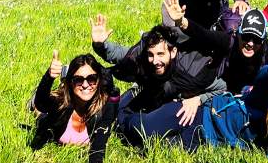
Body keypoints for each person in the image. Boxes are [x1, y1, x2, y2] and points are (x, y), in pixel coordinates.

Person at [119, 58, 268, 163]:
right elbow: (265, 75)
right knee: (140, 130)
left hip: (200, 140)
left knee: (149, 150)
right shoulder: (265, 101)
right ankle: (121, 106)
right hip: (196, 114)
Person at [91, 15, 223, 123]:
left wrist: (199, 99)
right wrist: (100, 46)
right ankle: (135, 91)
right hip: (159, 91)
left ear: (173, 52)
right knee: (117, 113)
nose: (155, 61)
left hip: (183, 98)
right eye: (150, 54)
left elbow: (224, 88)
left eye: (160, 54)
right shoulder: (145, 55)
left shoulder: (195, 68)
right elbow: (122, 55)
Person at [164, 0, 268, 95]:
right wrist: (181, 22)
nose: (250, 43)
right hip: (224, 87)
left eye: (257, 40)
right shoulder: (230, 40)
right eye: (246, 37)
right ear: (238, 34)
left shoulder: (266, 51)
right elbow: (204, 34)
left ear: (263, 41)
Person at [27, 51, 119, 163]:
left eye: (91, 78)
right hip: (50, 116)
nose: (85, 85)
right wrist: (49, 77)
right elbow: (42, 104)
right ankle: (36, 96)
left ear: (99, 81)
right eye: (78, 80)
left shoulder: (104, 108)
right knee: (40, 113)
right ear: (71, 82)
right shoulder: (61, 105)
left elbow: (99, 146)